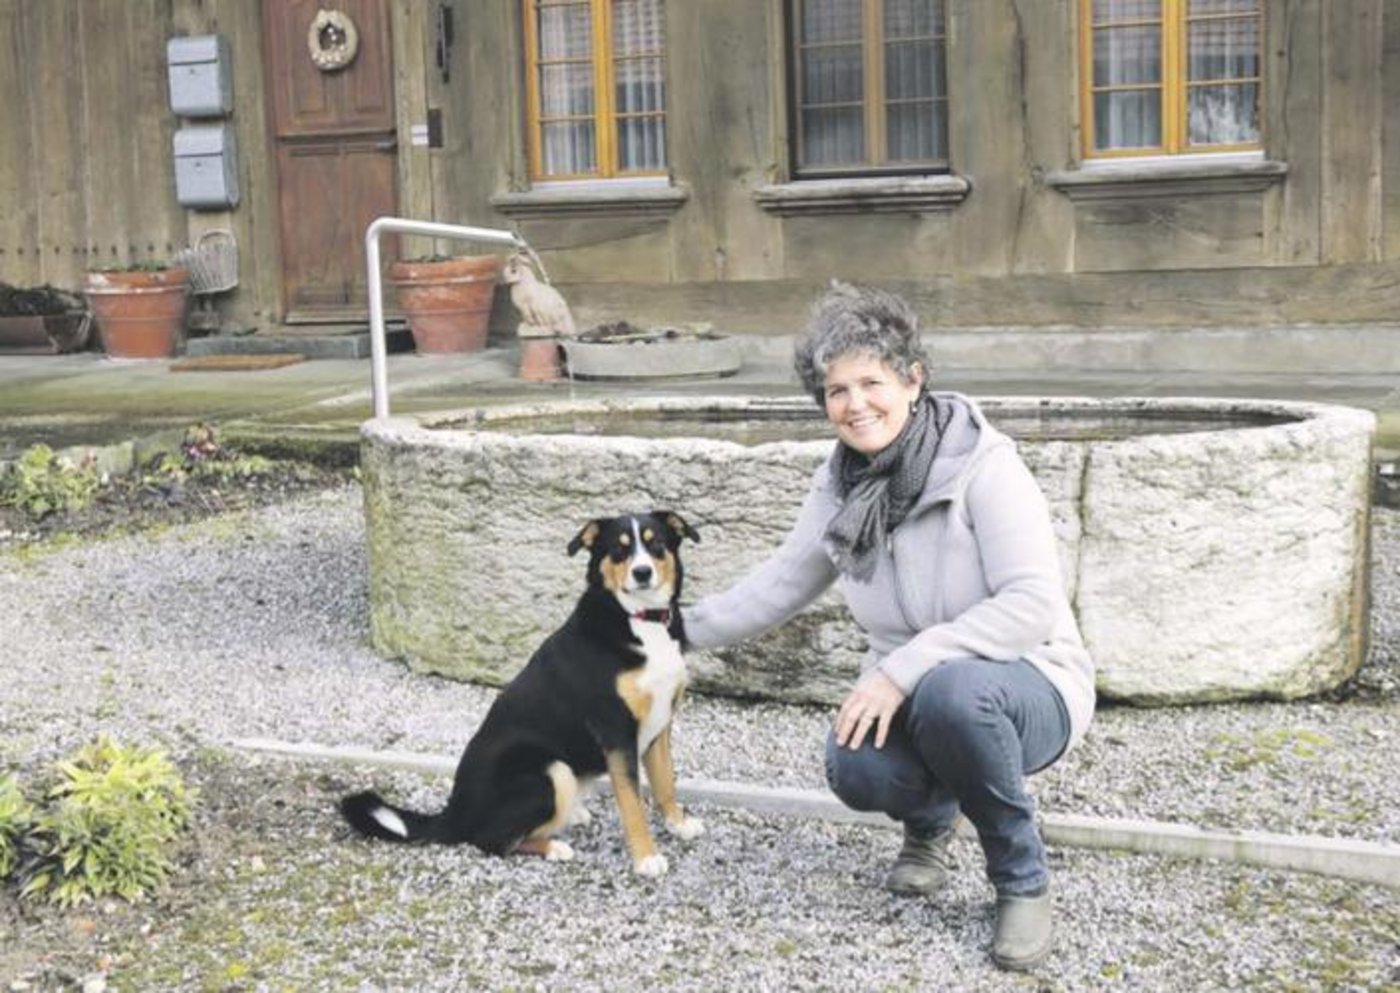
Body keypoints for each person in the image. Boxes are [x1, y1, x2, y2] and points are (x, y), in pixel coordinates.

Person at [681, 283, 1095, 972]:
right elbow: (782, 583)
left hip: (1032, 683)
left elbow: (1032, 606)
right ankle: (929, 822)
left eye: (871, 381)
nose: (855, 403)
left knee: (953, 693)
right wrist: (673, 632)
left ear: (912, 380)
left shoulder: (984, 467)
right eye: (836, 390)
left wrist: (899, 669)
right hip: (919, 694)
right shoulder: (841, 483)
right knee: (855, 767)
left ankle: (1021, 878)